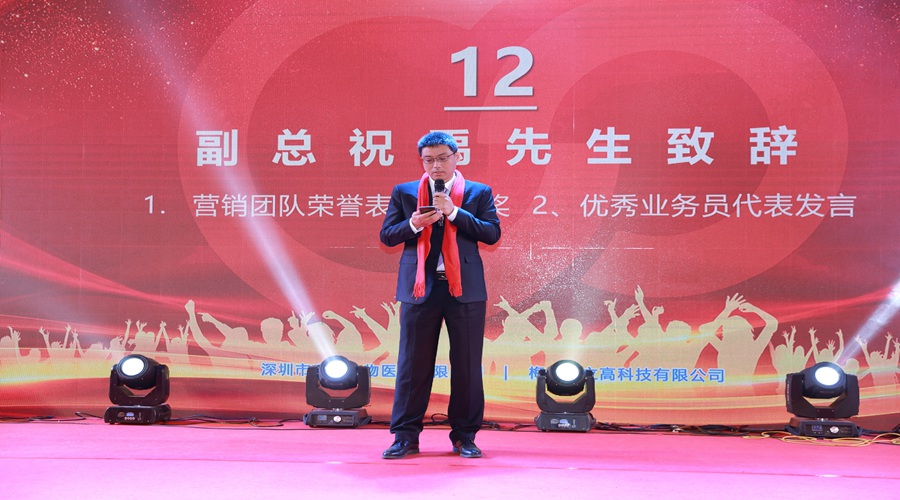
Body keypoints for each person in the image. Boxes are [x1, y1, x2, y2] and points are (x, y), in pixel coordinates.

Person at [379, 131, 501, 459]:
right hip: (420, 290)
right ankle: (405, 437)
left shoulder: (478, 192)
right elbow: (387, 236)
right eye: (429, 160)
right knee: (412, 365)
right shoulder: (405, 192)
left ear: (457, 157)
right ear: (422, 161)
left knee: (466, 366)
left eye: (443, 158)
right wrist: (414, 224)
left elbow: (492, 233)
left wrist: (454, 212)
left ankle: (465, 436)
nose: (436, 166)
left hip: (464, 290)